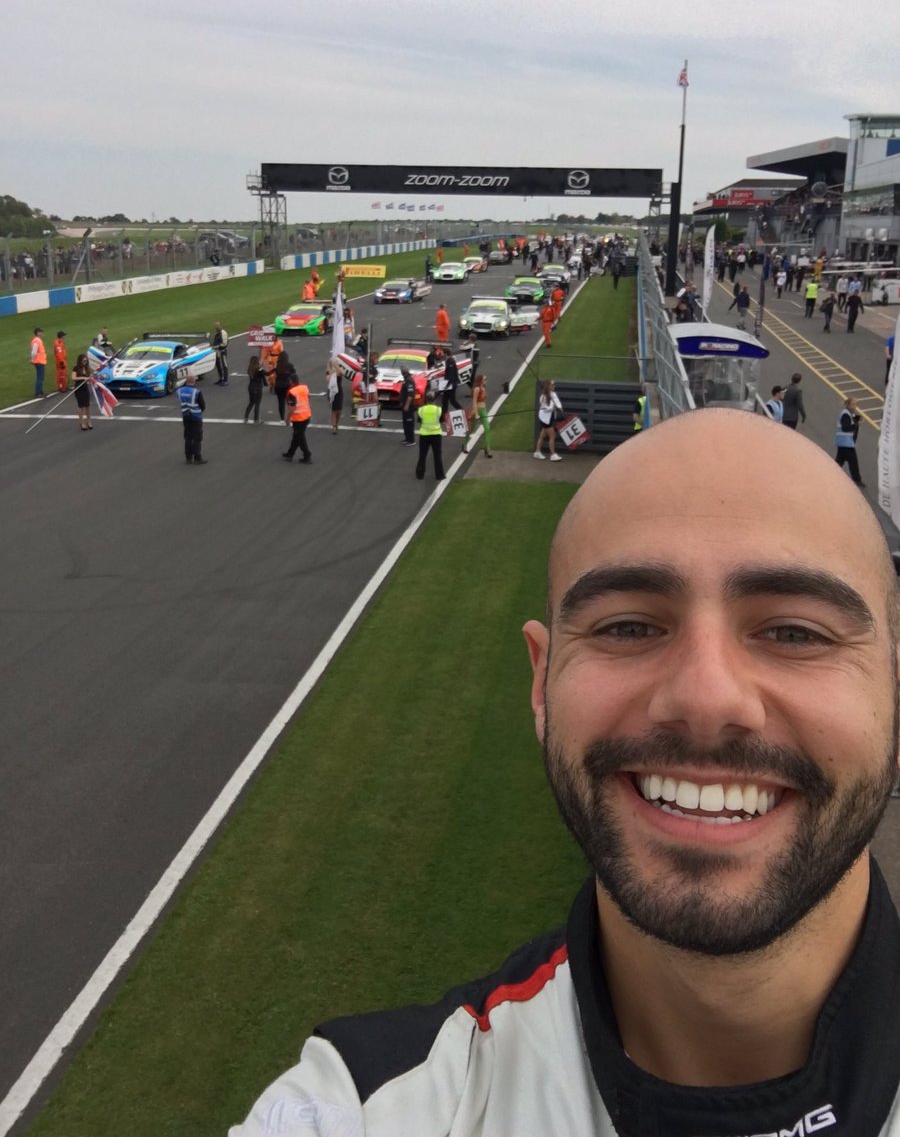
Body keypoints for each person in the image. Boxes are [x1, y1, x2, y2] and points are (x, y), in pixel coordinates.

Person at [232, 408, 900, 1137]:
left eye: (794, 633)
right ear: (541, 684)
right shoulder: (372, 1110)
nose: (706, 698)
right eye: (628, 628)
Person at [834, 396, 865, 486]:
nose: (855, 406)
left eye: (856, 404)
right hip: (846, 443)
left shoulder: (849, 413)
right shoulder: (845, 414)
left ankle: (830, 472)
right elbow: (845, 427)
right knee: (853, 461)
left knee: (839, 461)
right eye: (853, 404)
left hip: (844, 443)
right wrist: (857, 424)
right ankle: (857, 480)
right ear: (848, 404)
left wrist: (858, 418)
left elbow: (853, 417)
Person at [414, 389, 444, 481]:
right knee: (437, 455)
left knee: (422, 455)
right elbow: (441, 420)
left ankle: (420, 474)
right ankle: (439, 475)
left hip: (424, 434)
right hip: (436, 434)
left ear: (426, 400)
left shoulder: (421, 410)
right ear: (435, 400)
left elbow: (419, 421)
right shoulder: (438, 410)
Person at [176, 374, 206, 464]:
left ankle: (188, 457)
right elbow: (203, 405)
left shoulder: (179, 391)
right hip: (196, 416)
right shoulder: (197, 392)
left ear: (186, 381)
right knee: (197, 437)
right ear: (194, 381)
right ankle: (197, 457)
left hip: (185, 416)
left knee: (188, 437)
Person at [282, 374, 312, 464]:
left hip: (299, 418)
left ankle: (307, 454)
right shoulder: (304, 388)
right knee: (297, 437)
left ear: (291, 382)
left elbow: (292, 408)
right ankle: (290, 454)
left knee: (300, 437)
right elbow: (307, 398)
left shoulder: (292, 392)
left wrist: (287, 419)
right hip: (306, 415)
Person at [462, 372, 492, 457]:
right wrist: (476, 413)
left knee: (487, 429)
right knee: (471, 429)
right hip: (476, 410)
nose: (486, 380)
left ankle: (488, 449)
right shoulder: (477, 389)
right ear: (480, 380)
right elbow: (474, 401)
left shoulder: (483, 388)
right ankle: (464, 444)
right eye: (485, 379)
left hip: (484, 410)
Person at [534, 379, 563, 461]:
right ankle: (553, 455)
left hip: (549, 418)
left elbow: (556, 400)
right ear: (548, 386)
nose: (554, 386)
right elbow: (546, 408)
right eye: (552, 385)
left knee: (542, 436)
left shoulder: (553, 394)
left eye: (554, 385)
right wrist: (552, 406)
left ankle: (537, 452)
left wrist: (559, 406)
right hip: (545, 419)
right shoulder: (543, 397)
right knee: (552, 436)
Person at [273, 351, 296, 422]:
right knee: (289, 402)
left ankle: (282, 419)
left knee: (281, 402)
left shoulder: (277, 366)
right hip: (287, 386)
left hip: (278, 386)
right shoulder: (290, 366)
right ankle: (290, 417)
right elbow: (294, 375)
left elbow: (275, 374)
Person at [244, 355, 267, 424]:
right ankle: (256, 419)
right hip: (258, 388)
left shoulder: (250, 369)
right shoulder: (259, 369)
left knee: (251, 403)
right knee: (257, 403)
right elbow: (266, 374)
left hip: (251, 387)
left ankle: (246, 417)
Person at [72, 353, 92, 430]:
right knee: (81, 406)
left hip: (85, 388)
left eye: (86, 361)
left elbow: (89, 378)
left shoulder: (87, 369)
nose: (85, 362)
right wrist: (82, 378)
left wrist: (89, 378)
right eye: (83, 361)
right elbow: (73, 378)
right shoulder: (76, 368)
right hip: (78, 389)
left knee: (87, 406)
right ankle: (82, 422)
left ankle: (89, 421)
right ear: (80, 361)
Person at [399, 366, 417, 446]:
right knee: (405, 423)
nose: (401, 372)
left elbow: (410, 394)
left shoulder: (409, 380)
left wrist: (407, 405)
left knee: (409, 423)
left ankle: (411, 440)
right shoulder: (406, 379)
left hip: (409, 406)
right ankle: (407, 438)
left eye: (402, 370)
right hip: (404, 405)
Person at [326, 359, 344, 435]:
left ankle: (336, 423)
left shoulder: (340, 368)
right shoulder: (328, 371)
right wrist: (332, 371)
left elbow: (342, 373)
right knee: (334, 410)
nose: (335, 363)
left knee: (339, 410)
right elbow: (327, 379)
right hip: (332, 391)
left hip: (339, 391)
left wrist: (336, 367)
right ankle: (334, 426)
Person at [30, 326, 46, 397]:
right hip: (39, 362)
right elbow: (34, 352)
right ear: (38, 333)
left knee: (41, 377)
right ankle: (38, 392)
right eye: (40, 332)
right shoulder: (37, 340)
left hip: (40, 361)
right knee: (40, 377)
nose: (42, 333)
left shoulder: (37, 340)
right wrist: (32, 359)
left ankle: (40, 391)